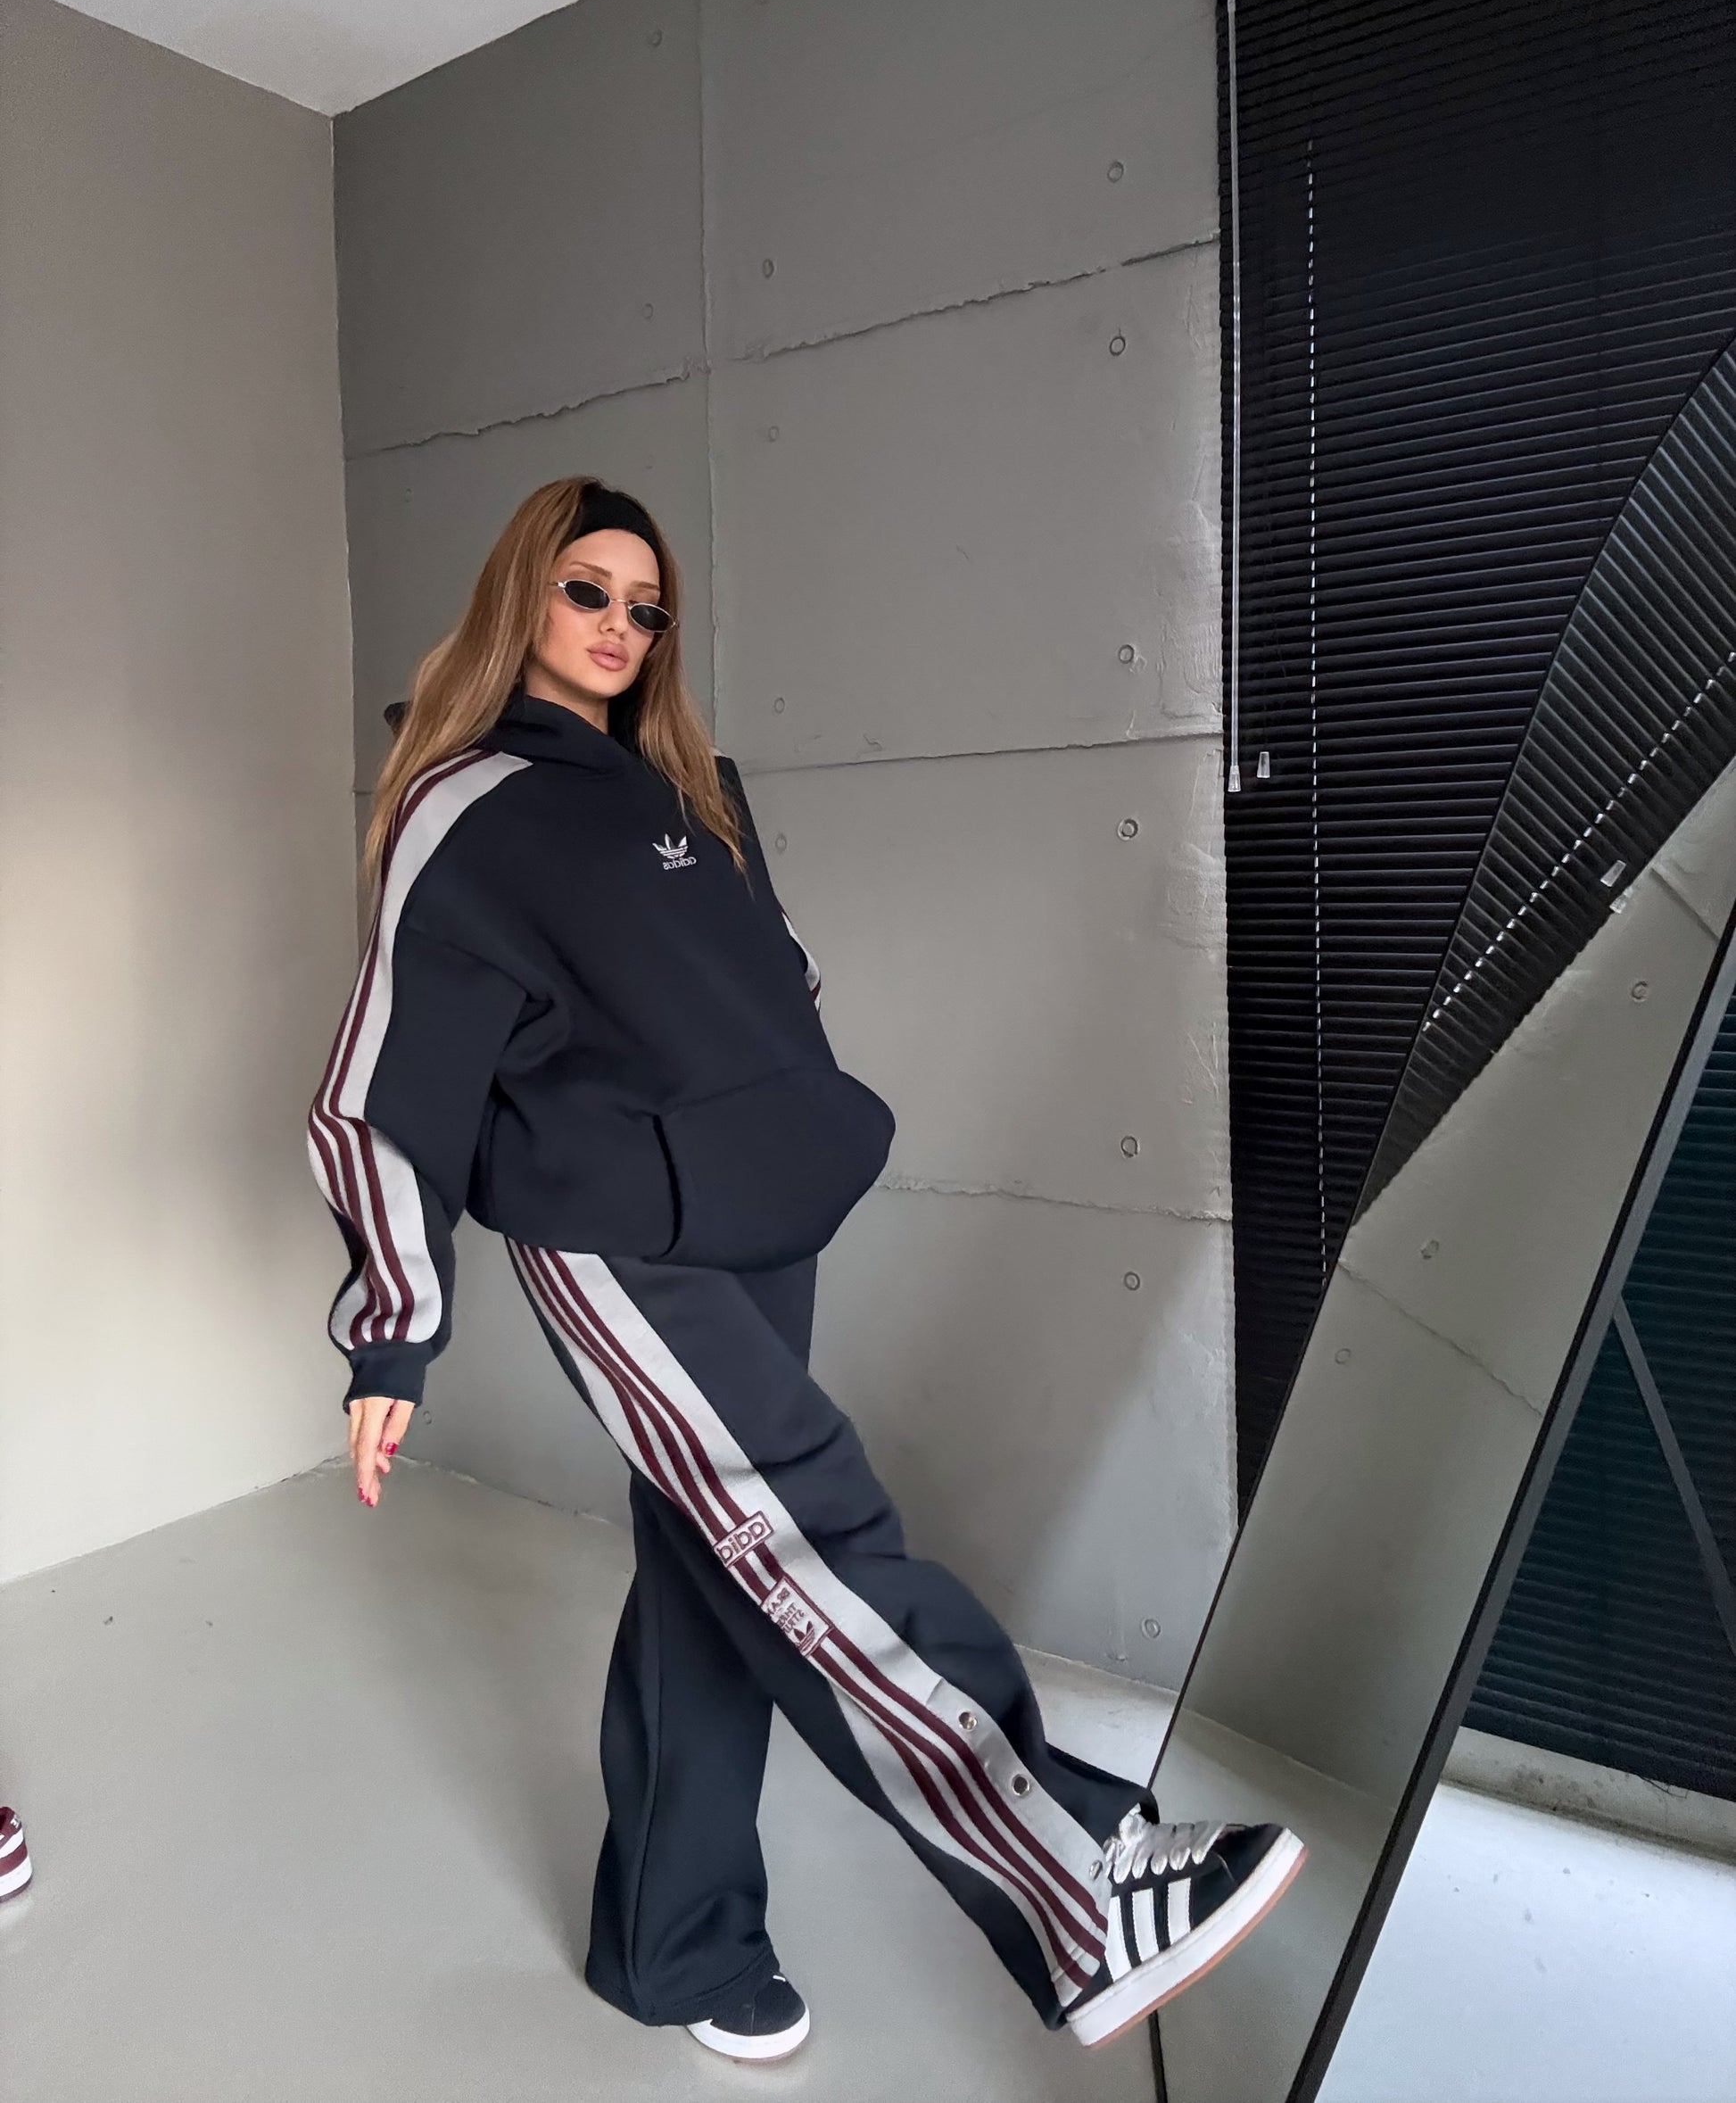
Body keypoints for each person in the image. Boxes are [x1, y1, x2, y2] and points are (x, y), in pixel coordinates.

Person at [307, 474, 1304, 2063]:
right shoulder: (465, 803)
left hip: (762, 1213)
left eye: (647, 606)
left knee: (716, 1566)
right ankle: (1081, 1880)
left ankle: (670, 1945)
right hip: (614, 1230)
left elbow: (778, 973)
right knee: (803, 1526)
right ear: (520, 595)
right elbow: (384, 1083)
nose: (620, 625)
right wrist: (393, 1329)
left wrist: (800, 1108)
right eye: (586, 590)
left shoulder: (697, 789)